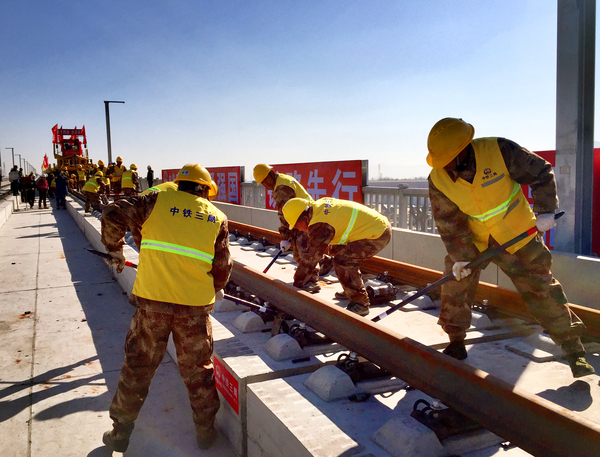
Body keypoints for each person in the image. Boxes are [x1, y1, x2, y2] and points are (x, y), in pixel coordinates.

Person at [426, 117, 594, 378]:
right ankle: (456, 342)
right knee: (455, 285)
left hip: (519, 237)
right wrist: (460, 257)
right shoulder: (438, 179)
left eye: (449, 160)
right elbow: (447, 220)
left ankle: (574, 351)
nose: (445, 167)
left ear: (463, 151)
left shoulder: (500, 151)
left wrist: (545, 210)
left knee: (541, 289)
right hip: (476, 242)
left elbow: (540, 172)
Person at [100, 163, 232, 453]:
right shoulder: (217, 217)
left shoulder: (154, 200)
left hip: (152, 306)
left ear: (180, 184)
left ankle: (120, 433)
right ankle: (205, 433)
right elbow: (221, 270)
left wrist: (114, 249)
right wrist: (213, 288)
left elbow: (111, 212)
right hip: (194, 311)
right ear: (205, 190)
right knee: (199, 373)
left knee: (137, 368)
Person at [282, 196, 392, 316]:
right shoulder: (317, 209)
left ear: (305, 217)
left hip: (378, 233)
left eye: (297, 226)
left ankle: (360, 303)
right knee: (334, 249)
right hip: (372, 227)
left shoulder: (320, 225)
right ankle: (350, 288)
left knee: (343, 261)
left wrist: (297, 284)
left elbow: (311, 258)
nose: (300, 230)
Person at [253, 164, 333, 276]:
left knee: (303, 253)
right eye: (262, 183)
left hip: (304, 218)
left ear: (271, 173)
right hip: (302, 215)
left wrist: (285, 237)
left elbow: (285, 216)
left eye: (266, 180)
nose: (266, 185)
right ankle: (325, 261)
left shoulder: (281, 189)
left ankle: (311, 278)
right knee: (298, 254)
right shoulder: (282, 180)